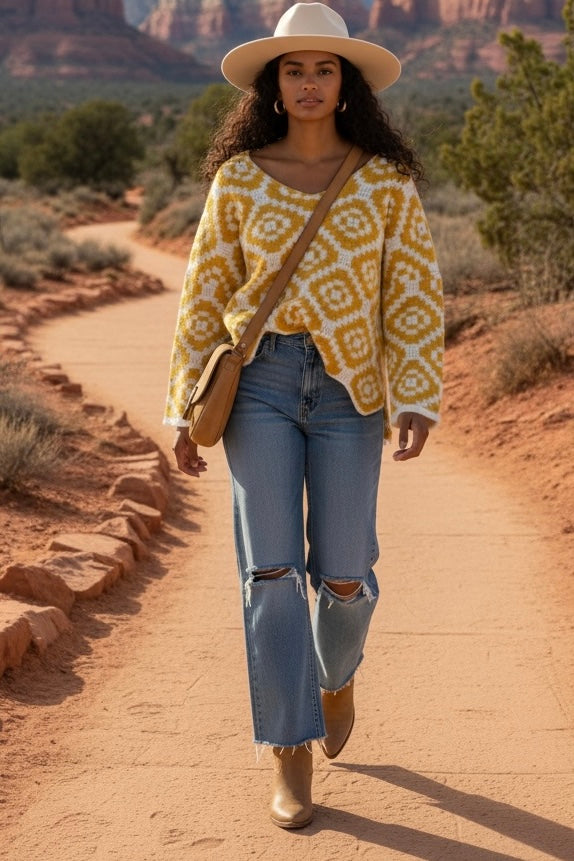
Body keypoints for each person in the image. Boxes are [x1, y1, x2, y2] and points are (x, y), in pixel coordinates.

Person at [165, 2, 444, 830]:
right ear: (274, 85)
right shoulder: (239, 179)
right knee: (272, 571)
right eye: (296, 70)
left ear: (347, 83)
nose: (311, 83)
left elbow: (413, 294)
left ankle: (335, 672)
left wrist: (416, 393)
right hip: (258, 383)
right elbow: (204, 296)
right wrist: (182, 406)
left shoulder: (384, 181)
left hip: (351, 392)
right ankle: (289, 747)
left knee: (345, 570)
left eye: (325, 69)